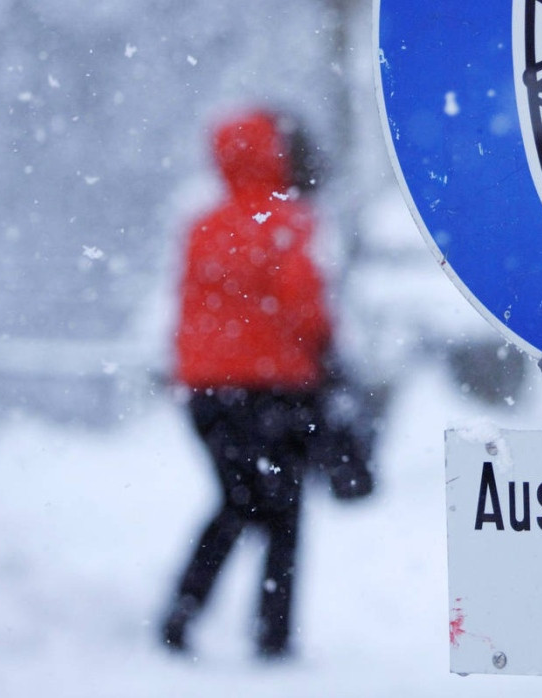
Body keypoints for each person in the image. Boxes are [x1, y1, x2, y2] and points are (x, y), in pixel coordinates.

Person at [161, 108, 332, 659]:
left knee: (237, 501)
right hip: (277, 391)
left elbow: (189, 309)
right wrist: (326, 351)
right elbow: (304, 306)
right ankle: (271, 632)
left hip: (207, 393)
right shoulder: (287, 221)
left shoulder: (203, 225)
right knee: (283, 511)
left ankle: (184, 610)